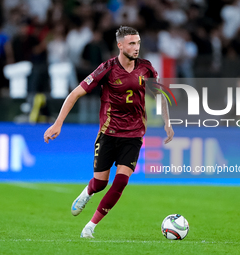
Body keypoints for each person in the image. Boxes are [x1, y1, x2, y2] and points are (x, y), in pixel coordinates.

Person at [43, 26, 174, 238]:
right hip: (109, 133)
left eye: (138, 43)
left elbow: (161, 95)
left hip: (134, 135)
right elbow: (76, 93)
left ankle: (90, 227)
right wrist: (58, 123)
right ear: (120, 45)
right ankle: (88, 192)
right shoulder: (107, 68)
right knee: (101, 183)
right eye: (132, 43)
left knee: (121, 181)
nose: (136, 47)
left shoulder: (147, 68)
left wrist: (168, 123)